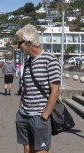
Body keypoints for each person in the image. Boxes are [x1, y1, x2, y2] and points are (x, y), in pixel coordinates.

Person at [15, 24, 61, 153]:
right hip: (24, 115)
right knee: (27, 148)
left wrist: (44, 116)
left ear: (29, 42)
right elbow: (25, 86)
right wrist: (20, 109)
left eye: (20, 43)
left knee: (41, 150)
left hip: (40, 116)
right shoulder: (28, 62)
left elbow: (55, 92)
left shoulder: (50, 60)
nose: (18, 46)